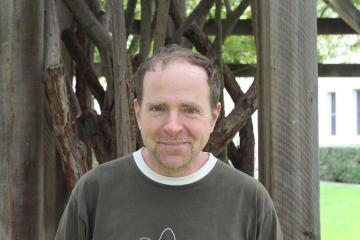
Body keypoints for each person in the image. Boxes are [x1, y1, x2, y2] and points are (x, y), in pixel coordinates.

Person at [55, 45, 283, 240]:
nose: (173, 126)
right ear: (137, 113)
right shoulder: (94, 192)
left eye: (190, 110)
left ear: (214, 116)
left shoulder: (250, 201)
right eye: (158, 108)